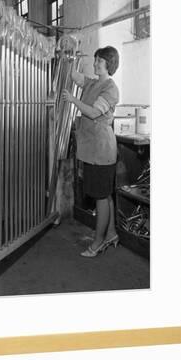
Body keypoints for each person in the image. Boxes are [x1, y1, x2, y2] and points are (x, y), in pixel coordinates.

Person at [61, 46, 120, 258]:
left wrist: (73, 100)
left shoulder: (110, 88)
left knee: (101, 198)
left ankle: (97, 243)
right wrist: (66, 57)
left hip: (102, 151)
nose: (95, 64)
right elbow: (77, 78)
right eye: (95, 60)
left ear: (109, 64)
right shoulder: (95, 83)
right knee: (105, 195)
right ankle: (111, 233)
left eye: (99, 61)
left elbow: (94, 112)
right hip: (92, 149)